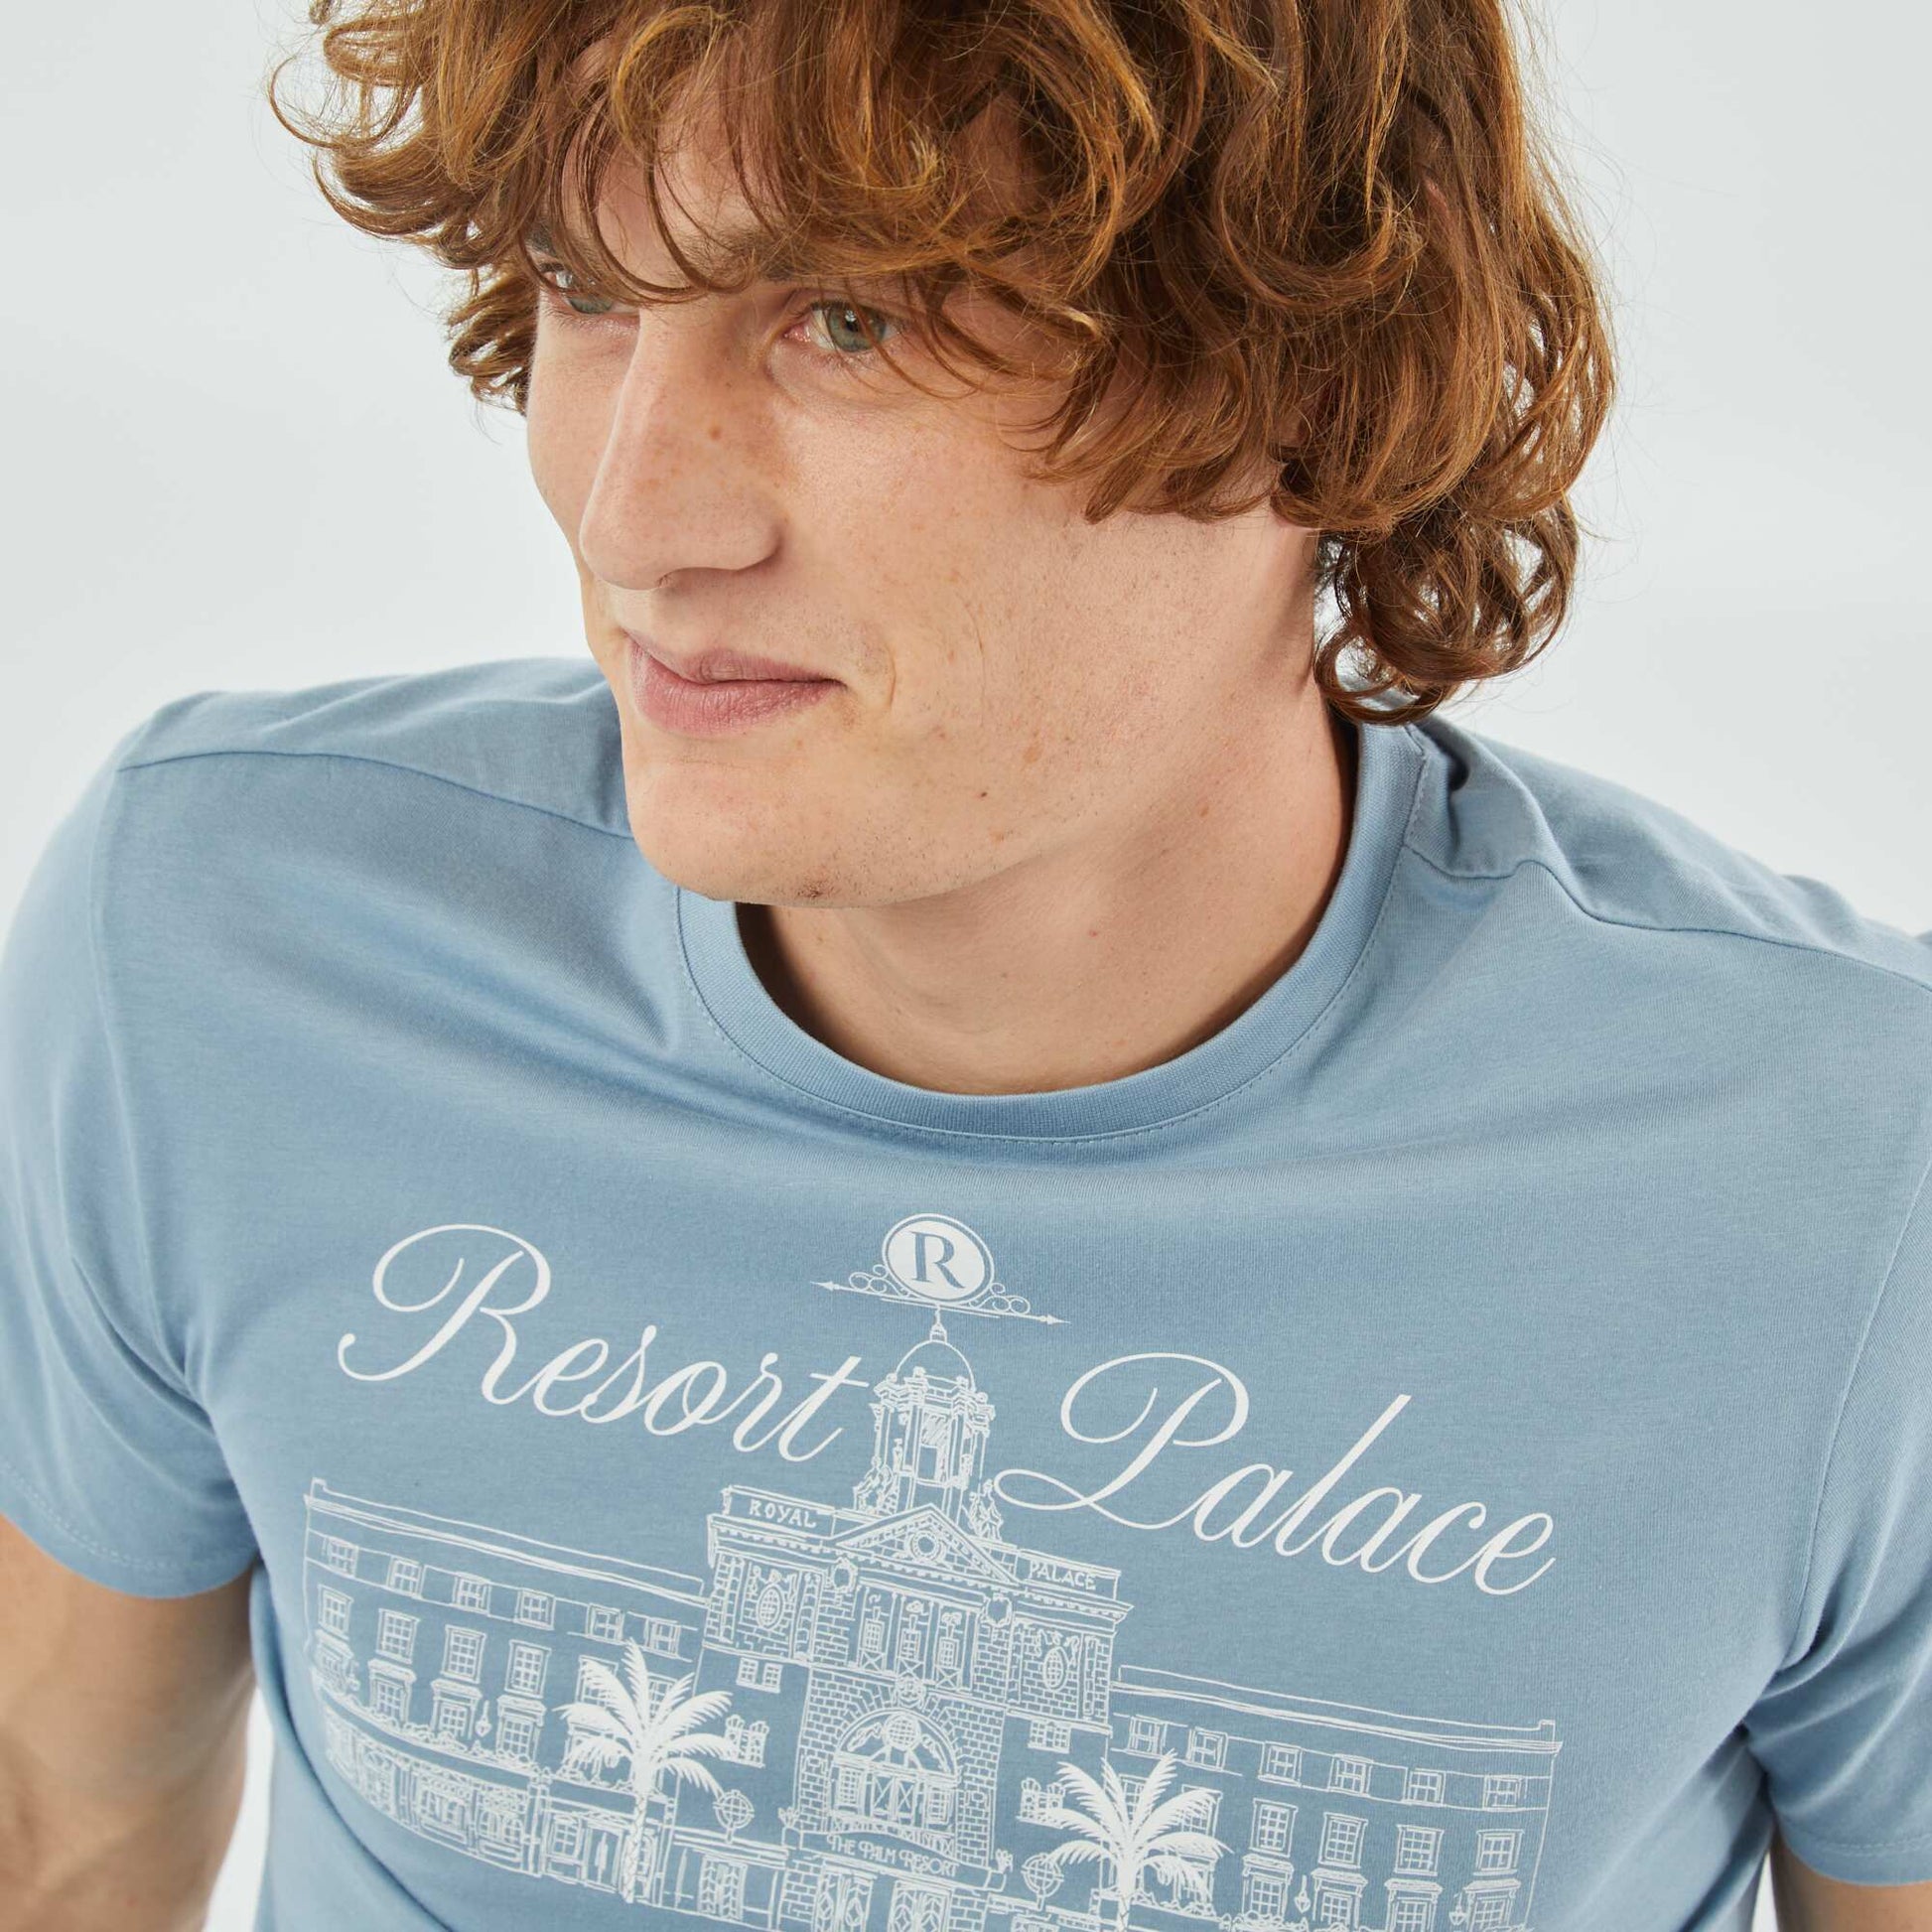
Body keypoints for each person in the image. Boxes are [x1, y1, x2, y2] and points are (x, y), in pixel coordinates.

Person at [1, 2, 1927, 1929]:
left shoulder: (1844, 1190)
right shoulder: (224, 951)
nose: (631, 517)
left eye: (852, 319)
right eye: (586, 289)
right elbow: (61, 1839)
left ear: (1313, 371)